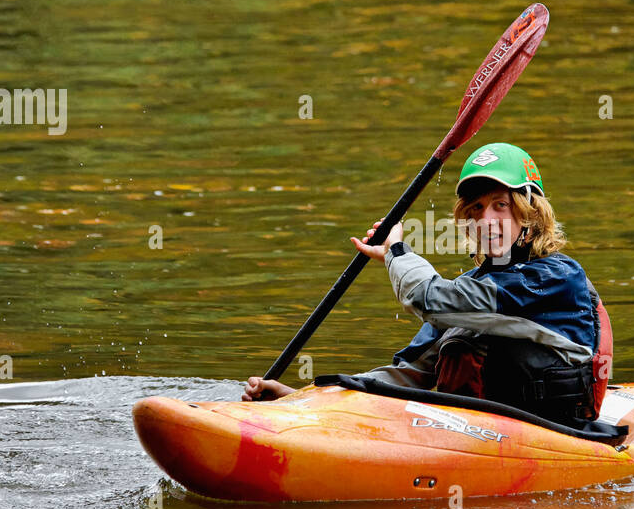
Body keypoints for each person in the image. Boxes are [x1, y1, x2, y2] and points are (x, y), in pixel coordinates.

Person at [242, 143, 613, 425]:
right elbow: (406, 374)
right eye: (476, 209)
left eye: (501, 204)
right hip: (474, 433)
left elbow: (430, 298)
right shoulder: (472, 286)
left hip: (552, 435)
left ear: (531, 214)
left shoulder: (556, 278)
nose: (487, 219)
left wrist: (396, 252)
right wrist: (300, 400)